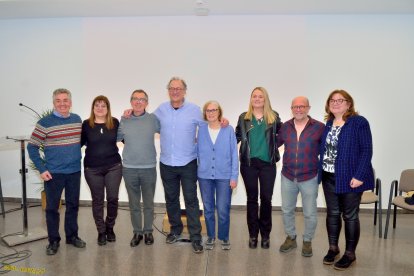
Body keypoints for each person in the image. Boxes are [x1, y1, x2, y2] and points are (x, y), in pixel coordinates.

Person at [319, 89, 374, 270]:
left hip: (351, 178)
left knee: (350, 216)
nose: (335, 103)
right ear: (328, 104)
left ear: (348, 104)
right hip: (329, 176)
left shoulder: (358, 122)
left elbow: (366, 150)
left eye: (340, 100)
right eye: (332, 101)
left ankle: (350, 254)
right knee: (332, 214)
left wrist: (359, 176)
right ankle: (333, 248)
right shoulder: (328, 123)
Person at [27, 88, 85, 255]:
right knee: (52, 208)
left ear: (70, 102)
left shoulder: (76, 119)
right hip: (53, 173)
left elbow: (76, 143)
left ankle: (72, 236)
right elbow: (32, 147)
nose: (62, 103)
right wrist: (42, 168)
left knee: (73, 206)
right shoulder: (44, 123)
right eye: (58, 101)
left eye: (65, 100)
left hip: (74, 171)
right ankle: (53, 241)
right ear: (54, 103)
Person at [277, 96, 324, 257]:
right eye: (295, 107)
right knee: (286, 210)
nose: (298, 109)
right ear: (291, 109)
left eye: (302, 106)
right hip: (288, 176)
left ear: (308, 108)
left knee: (310, 213)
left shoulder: (319, 127)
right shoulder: (285, 127)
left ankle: (307, 241)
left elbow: (326, 151)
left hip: (309, 177)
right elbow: (273, 144)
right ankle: (291, 237)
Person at [235, 87, 282, 249]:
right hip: (249, 164)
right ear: (251, 99)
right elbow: (235, 137)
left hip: (268, 164)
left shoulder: (274, 117)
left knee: (266, 200)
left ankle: (266, 235)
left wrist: (273, 148)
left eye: (260, 96)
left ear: (265, 99)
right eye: (254, 96)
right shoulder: (243, 118)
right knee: (252, 199)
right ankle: (253, 235)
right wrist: (220, 125)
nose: (257, 99)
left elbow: (282, 136)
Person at [118, 90, 160, 247]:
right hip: (129, 168)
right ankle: (137, 232)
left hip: (149, 167)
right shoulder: (125, 119)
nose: (138, 102)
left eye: (142, 99)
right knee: (134, 203)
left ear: (147, 103)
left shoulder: (153, 120)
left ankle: (148, 231)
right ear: (131, 102)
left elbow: (169, 132)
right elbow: (116, 137)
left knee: (148, 203)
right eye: (135, 99)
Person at [81, 95, 122, 246]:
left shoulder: (115, 123)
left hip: (113, 167)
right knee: (97, 200)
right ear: (93, 108)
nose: (100, 108)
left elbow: (127, 138)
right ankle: (101, 231)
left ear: (108, 109)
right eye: (97, 105)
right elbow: (76, 144)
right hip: (92, 169)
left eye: (103, 106)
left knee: (112, 199)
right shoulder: (86, 125)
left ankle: (110, 227)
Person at [197, 101, 238, 251]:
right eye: (208, 110)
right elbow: (196, 151)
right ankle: (210, 236)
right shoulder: (201, 130)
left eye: (214, 110)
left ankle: (224, 237)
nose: (211, 112)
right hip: (205, 176)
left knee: (222, 208)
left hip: (224, 176)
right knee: (207, 208)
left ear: (219, 112)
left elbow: (234, 154)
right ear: (205, 113)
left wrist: (234, 176)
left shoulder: (228, 130)